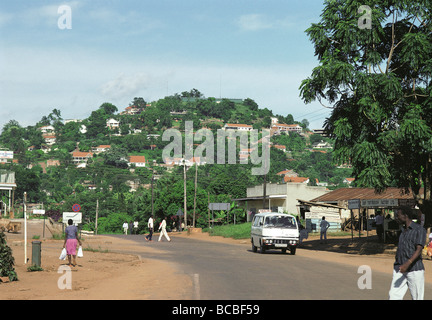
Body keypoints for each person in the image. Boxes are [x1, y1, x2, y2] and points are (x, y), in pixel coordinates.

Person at [388, 206, 426, 300]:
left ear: (405, 216)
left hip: (414, 270)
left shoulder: (419, 229)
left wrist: (407, 263)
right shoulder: (402, 231)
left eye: (398, 216)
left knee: (417, 297)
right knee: (393, 296)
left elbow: (419, 249)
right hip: (400, 269)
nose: (396, 218)